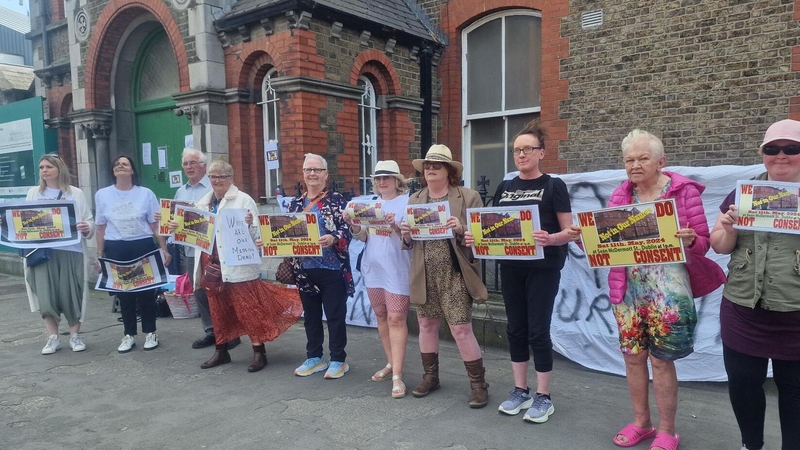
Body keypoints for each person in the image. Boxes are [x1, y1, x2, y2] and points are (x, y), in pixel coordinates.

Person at [605, 130, 725, 450]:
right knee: (633, 358)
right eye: (629, 159)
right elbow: (606, 242)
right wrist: (583, 237)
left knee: (661, 361)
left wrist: (690, 240)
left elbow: (705, 244)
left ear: (661, 162)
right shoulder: (620, 196)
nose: (635, 165)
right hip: (628, 290)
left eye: (643, 158)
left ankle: (667, 430)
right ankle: (641, 423)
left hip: (668, 292)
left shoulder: (683, 192)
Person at [465, 121, 580, 423]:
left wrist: (552, 238)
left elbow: (571, 231)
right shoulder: (505, 187)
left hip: (543, 268)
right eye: (516, 150)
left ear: (541, 152)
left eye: (527, 149)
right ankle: (521, 390)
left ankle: (544, 396)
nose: (521, 155)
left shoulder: (554, 186)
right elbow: (495, 227)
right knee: (515, 329)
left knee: (537, 331)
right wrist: (476, 237)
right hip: (511, 267)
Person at [710, 119, 800, 450]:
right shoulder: (743, 193)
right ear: (762, 153)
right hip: (744, 311)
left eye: (792, 148)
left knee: (795, 393)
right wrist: (730, 226)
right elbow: (718, 244)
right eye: (772, 149)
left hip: (795, 315)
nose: (781, 155)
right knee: (744, 387)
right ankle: (752, 445)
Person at [182, 159, 303, 372]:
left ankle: (259, 352)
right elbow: (193, 232)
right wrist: (175, 226)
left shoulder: (243, 201)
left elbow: (257, 235)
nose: (217, 180)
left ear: (231, 178)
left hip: (238, 264)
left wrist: (250, 223)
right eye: (213, 176)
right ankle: (221, 351)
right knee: (218, 309)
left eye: (222, 176)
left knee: (248, 309)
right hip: (211, 264)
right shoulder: (203, 203)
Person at [399, 144, 490, 408]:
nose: (430, 169)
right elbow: (409, 242)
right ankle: (431, 377)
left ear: (449, 170)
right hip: (424, 271)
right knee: (427, 325)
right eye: (426, 165)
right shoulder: (415, 199)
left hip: (454, 271)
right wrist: (405, 233)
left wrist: (462, 229)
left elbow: (482, 238)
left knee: (461, 328)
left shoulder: (468, 197)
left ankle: (478, 384)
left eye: (436, 165)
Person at [155, 148, 240, 350]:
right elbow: (176, 221)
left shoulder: (214, 187)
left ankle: (232, 332)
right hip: (193, 249)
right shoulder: (180, 191)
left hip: (217, 251)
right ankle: (211, 331)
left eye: (193, 163)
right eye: (185, 164)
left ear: (203, 165)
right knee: (200, 290)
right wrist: (167, 221)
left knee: (222, 292)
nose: (188, 167)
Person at [344, 160, 411, 398]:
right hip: (373, 268)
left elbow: (409, 239)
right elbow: (364, 237)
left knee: (396, 318)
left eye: (387, 177)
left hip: (397, 268)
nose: (382, 182)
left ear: (397, 180)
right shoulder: (371, 205)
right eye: (378, 178)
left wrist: (394, 226)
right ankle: (391, 364)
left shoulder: (407, 203)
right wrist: (353, 227)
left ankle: (398, 376)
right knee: (381, 316)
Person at [15, 154, 95, 354]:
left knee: (71, 293)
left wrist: (87, 227)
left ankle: (75, 336)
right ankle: (53, 337)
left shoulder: (75, 193)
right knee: (46, 295)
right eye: (41, 167)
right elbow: (24, 220)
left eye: (48, 167)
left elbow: (89, 221)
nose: (44, 170)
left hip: (70, 251)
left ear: (59, 169)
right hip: (43, 252)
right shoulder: (33, 193)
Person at [95, 155, 171, 353]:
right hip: (115, 248)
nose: (120, 166)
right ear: (113, 171)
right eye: (117, 164)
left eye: (125, 163)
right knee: (124, 293)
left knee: (146, 292)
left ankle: (151, 332)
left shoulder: (145, 194)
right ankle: (128, 334)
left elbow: (155, 225)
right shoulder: (102, 195)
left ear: (132, 171)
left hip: (142, 246)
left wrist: (163, 249)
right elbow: (101, 227)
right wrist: (100, 254)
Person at [289, 153, 354, 379]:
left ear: (326, 175)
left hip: (332, 268)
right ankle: (314, 357)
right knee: (312, 316)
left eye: (317, 170)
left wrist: (334, 238)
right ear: (303, 174)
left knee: (335, 316)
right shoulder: (295, 203)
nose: (313, 174)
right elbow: (284, 232)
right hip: (304, 270)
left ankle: (338, 359)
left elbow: (349, 228)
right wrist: (268, 241)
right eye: (309, 170)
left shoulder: (337, 201)